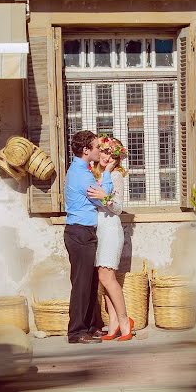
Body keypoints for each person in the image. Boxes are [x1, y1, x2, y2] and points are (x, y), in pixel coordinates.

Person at [63, 130, 114, 344]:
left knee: (90, 283)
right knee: (82, 284)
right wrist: (108, 173)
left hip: (83, 232)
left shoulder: (81, 170)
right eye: (95, 147)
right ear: (86, 150)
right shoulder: (82, 174)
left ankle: (93, 326)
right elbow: (103, 200)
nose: (99, 150)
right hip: (80, 232)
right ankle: (76, 332)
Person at [93, 136, 135, 341]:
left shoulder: (116, 176)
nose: (105, 155)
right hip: (97, 230)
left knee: (107, 278)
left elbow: (117, 208)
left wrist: (104, 197)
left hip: (110, 229)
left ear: (116, 158)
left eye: (110, 153)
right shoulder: (93, 174)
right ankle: (113, 323)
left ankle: (125, 321)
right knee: (103, 279)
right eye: (103, 150)